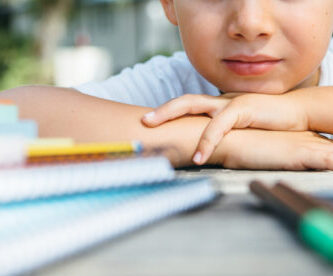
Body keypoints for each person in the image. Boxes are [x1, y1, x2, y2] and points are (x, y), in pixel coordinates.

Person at [1, 0, 333, 170]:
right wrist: (221, 138)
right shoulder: (171, 85)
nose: (250, 23)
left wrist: (300, 110)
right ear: (168, 3)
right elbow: (11, 116)